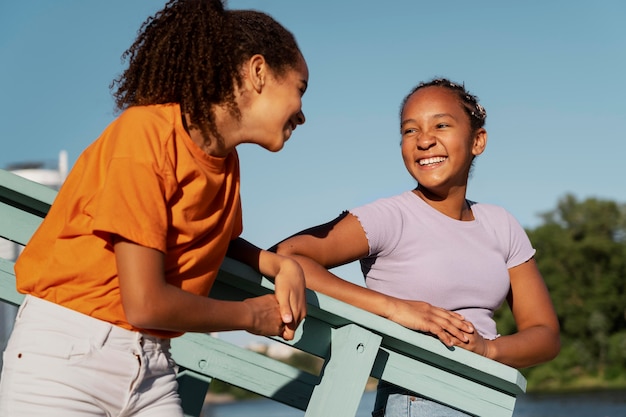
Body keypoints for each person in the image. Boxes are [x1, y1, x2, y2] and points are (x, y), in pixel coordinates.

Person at [0, 0, 309, 415]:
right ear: (258, 72)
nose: (303, 114)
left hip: (152, 364)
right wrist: (251, 316)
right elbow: (144, 302)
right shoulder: (144, 135)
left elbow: (214, 242)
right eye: (300, 89)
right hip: (65, 361)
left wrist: (279, 265)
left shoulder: (227, 163)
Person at [272, 78, 560, 416]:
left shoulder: (501, 223)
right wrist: (394, 308)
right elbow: (286, 255)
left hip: (488, 399)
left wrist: (487, 350)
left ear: (477, 141)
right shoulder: (391, 217)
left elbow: (545, 335)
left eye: (441, 125)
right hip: (418, 398)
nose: (424, 140)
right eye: (410, 131)